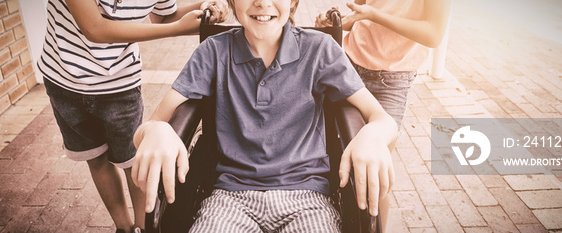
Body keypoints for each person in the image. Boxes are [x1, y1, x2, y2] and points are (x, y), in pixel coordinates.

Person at [131, 0, 397, 231]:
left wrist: (372, 134)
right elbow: (151, 125)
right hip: (230, 197)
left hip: (307, 197)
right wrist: (157, 131)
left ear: (293, 2)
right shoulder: (213, 52)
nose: (263, 2)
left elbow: (381, 117)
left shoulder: (320, 49)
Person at [38, 0, 228, 232]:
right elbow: (94, 28)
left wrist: (205, 5)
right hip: (64, 81)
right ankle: (123, 227)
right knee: (96, 158)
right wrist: (179, 29)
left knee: (134, 162)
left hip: (120, 84)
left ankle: (143, 228)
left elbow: (164, 16)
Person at [316, 0, 451, 129]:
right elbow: (359, 14)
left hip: (392, 80)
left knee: (375, 147)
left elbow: (434, 35)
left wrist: (374, 15)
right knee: (329, 136)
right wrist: (334, 22)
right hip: (351, 65)